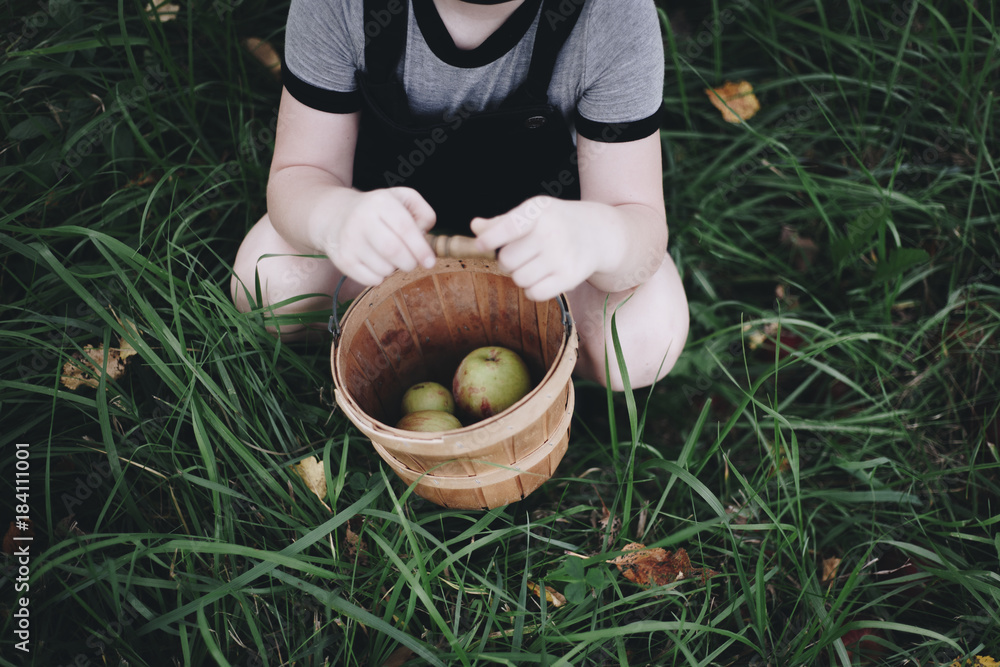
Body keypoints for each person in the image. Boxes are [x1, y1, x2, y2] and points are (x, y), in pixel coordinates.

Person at [231, 0, 689, 391]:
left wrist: (599, 236)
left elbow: (640, 219)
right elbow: (300, 172)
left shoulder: (610, 16)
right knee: (265, 283)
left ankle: (526, 332)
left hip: (537, 257)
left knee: (647, 335)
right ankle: (399, 323)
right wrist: (334, 217)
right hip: (390, 243)